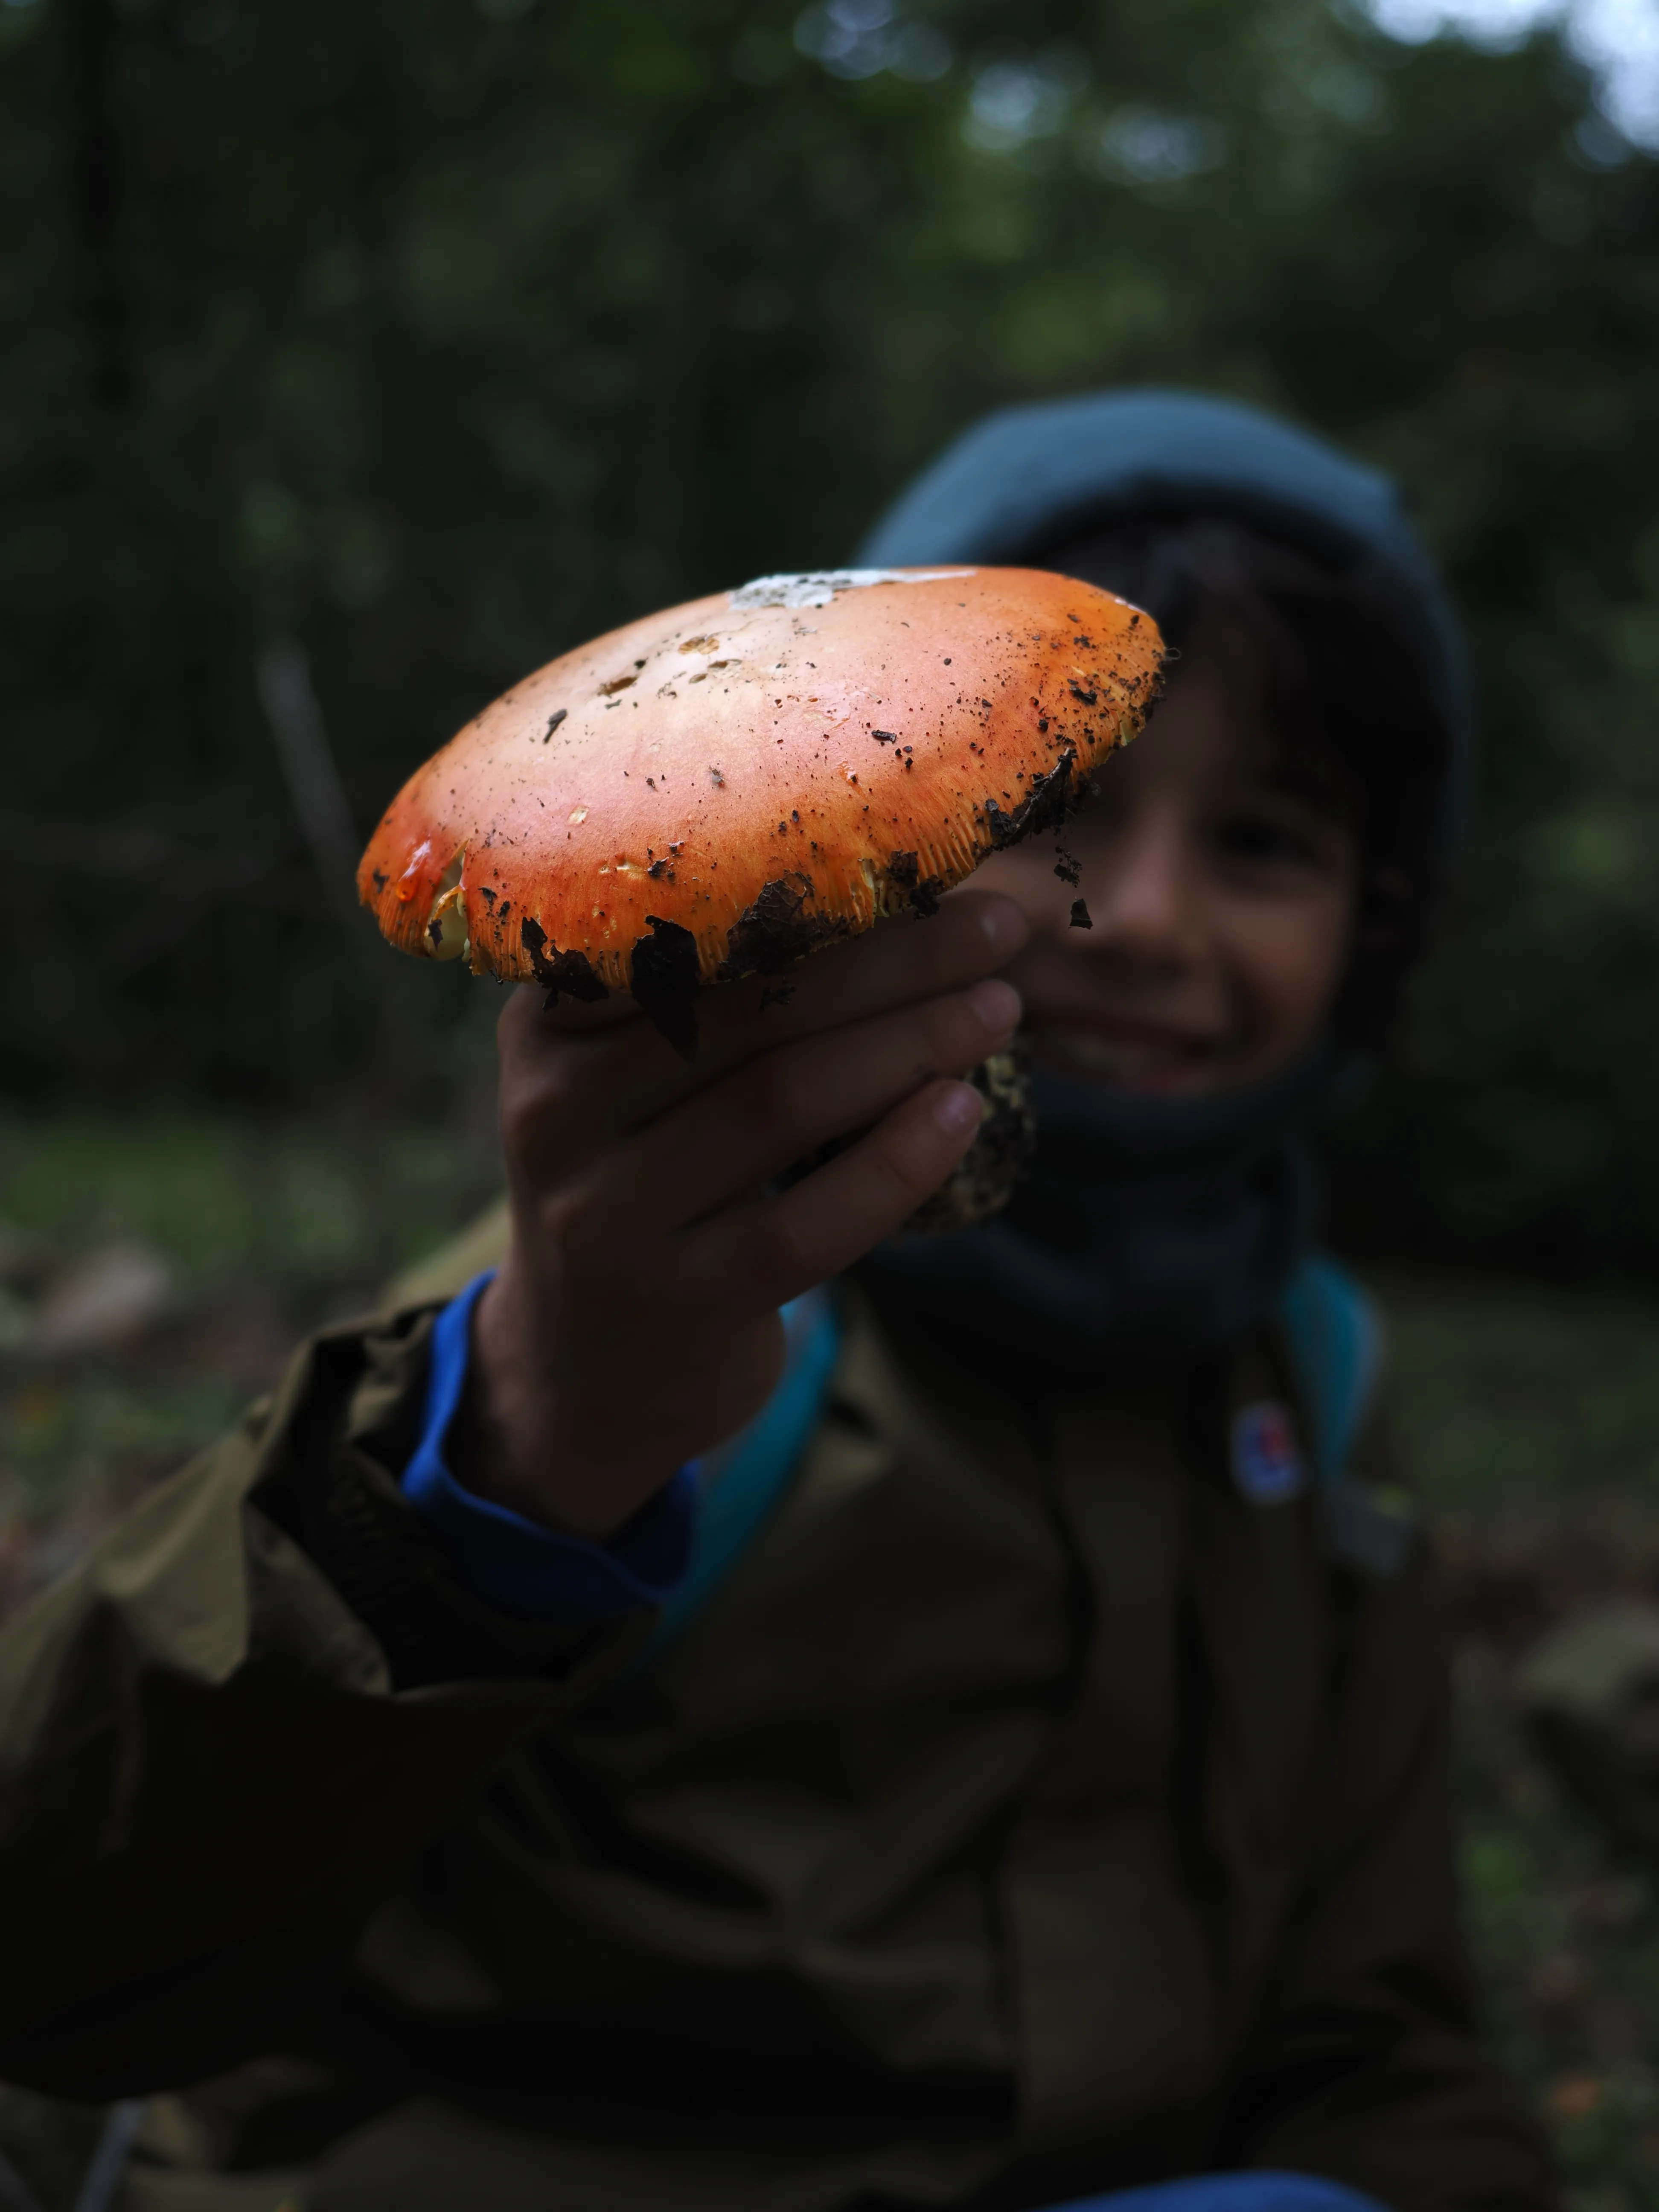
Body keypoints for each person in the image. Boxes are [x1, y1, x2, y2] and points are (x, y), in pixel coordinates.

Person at [0, 393, 1552, 2212]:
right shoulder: (617, 1316)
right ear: (842, 833)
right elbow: (61, 1953)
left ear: (1382, 913)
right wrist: (542, 1429)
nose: (1143, 916)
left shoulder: (1310, 1392)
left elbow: (1377, 2041)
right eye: (1059, 808)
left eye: (1266, 841)